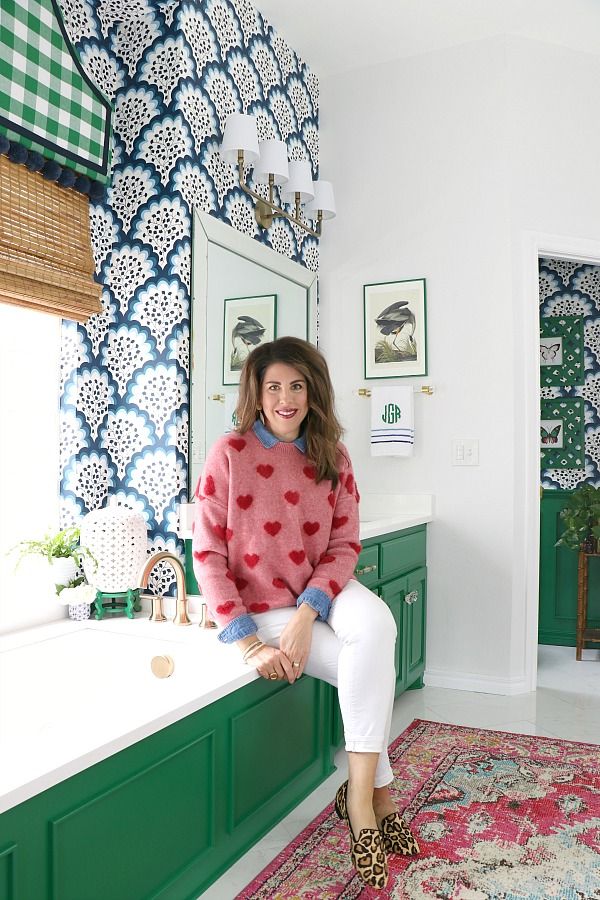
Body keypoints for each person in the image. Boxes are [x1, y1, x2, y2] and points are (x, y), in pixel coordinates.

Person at [192, 336, 419, 889]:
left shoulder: (332, 455)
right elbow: (207, 555)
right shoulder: (231, 452)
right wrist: (249, 642)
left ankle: (359, 797)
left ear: (313, 392)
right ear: (257, 392)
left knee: (377, 626)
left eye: (297, 385)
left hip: (319, 594)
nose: (286, 398)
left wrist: (306, 615)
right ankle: (376, 799)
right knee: (370, 675)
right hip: (263, 606)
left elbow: (344, 545)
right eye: (274, 387)